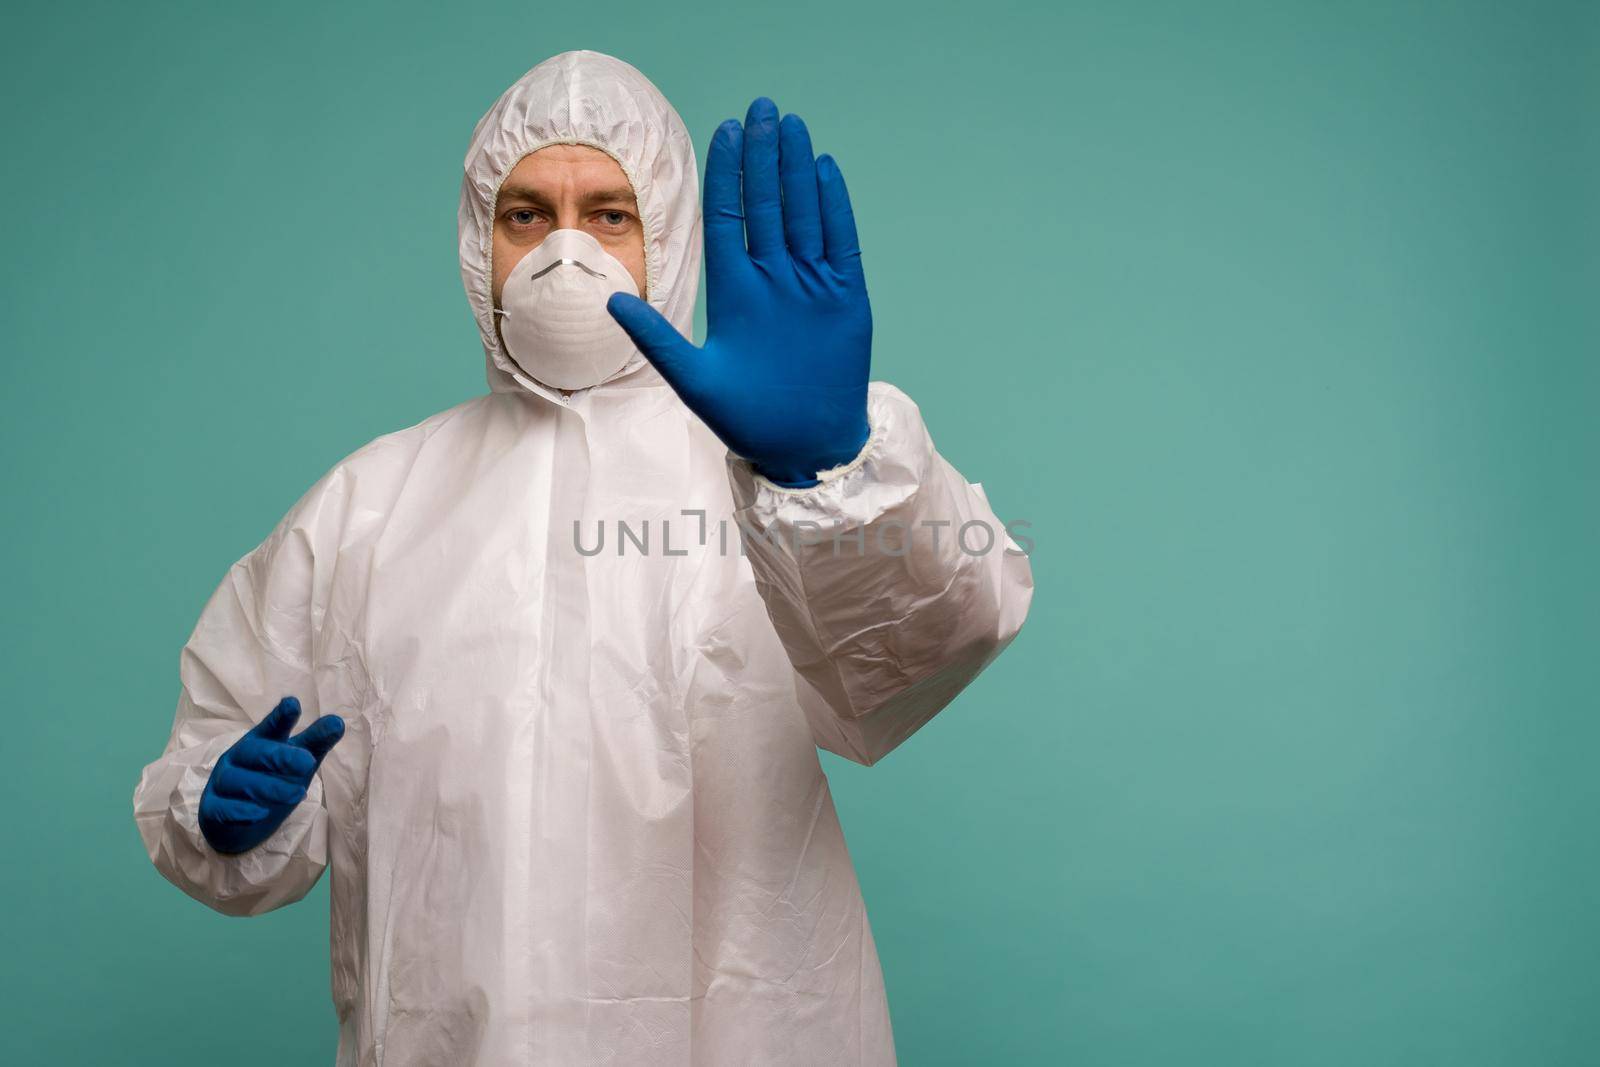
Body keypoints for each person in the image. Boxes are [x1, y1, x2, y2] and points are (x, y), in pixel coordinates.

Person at [132, 49, 1032, 1065]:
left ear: (671, 235)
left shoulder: (775, 474)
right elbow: (218, 748)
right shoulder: (367, 505)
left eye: (609, 213)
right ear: (480, 238)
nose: (566, 249)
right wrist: (218, 810)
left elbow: (936, 638)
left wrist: (829, 470)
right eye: (526, 213)